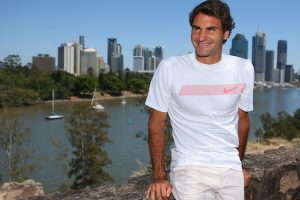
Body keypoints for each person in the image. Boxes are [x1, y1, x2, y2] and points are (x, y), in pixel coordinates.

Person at [145, 0, 254, 199]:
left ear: (226, 34)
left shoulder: (244, 68)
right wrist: (159, 177)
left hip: (229, 168)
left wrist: (238, 165)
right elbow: (156, 122)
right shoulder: (170, 67)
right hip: (189, 168)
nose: (201, 37)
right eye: (196, 28)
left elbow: (243, 119)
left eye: (211, 29)